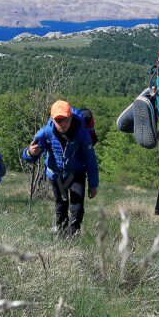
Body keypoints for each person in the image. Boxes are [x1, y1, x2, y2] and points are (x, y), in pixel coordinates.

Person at [23, 100, 99, 237]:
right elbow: (31, 157)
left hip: (77, 174)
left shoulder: (81, 133)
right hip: (56, 175)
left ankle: (72, 236)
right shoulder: (46, 133)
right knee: (61, 206)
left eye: (65, 119)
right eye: (58, 120)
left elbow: (91, 160)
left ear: (70, 117)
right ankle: (61, 231)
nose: (62, 123)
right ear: (52, 119)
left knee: (77, 208)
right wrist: (30, 152)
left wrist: (93, 185)